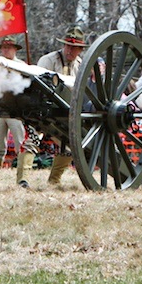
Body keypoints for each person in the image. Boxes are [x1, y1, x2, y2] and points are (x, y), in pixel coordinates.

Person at [36, 26, 86, 185]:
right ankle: (22, 180)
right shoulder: (48, 61)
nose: (70, 50)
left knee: (71, 144)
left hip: (65, 112)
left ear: (80, 50)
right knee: (31, 139)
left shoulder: (80, 65)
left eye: (75, 48)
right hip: (43, 108)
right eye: (68, 46)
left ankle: (54, 180)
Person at [0, 36, 35, 187]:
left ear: (15, 49)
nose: (6, 49)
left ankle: (22, 177)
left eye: (9, 47)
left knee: (21, 142)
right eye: (4, 47)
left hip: (16, 110)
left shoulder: (22, 66)